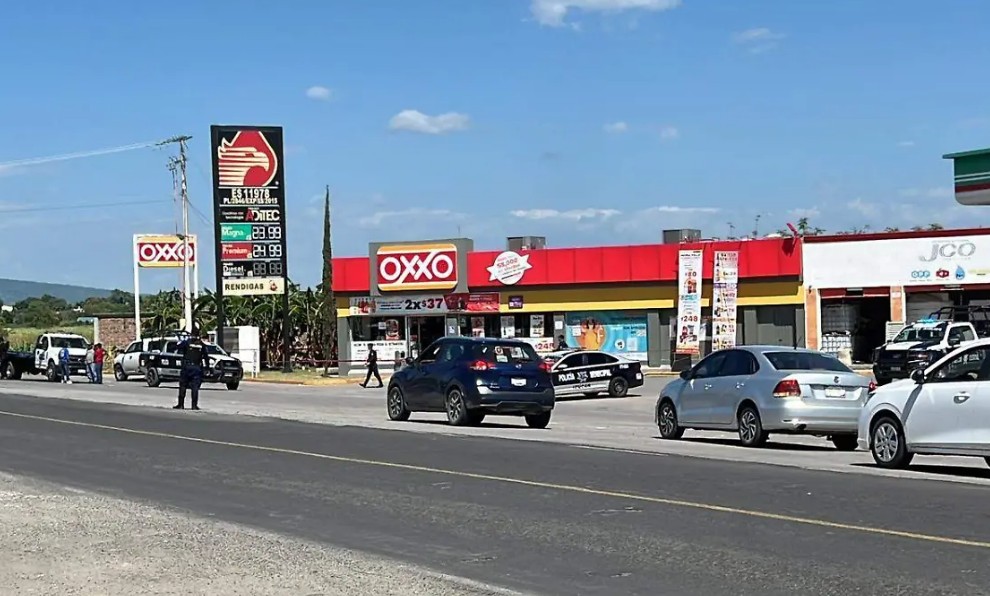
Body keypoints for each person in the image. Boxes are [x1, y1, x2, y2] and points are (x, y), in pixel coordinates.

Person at [174, 331, 209, 410]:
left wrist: (181, 340)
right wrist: (207, 368)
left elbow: (177, 347)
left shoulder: (187, 342)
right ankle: (194, 405)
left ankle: (181, 404)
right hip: (197, 368)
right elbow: (206, 357)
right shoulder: (201, 345)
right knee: (195, 387)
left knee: (183, 385)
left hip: (187, 367)